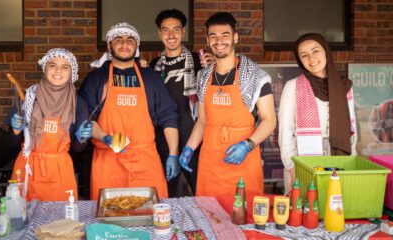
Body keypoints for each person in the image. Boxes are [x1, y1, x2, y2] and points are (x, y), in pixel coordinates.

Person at [178, 12, 276, 197]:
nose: (219, 41)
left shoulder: (255, 76)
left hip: (243, 160)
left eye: (225, 35)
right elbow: (202, 121)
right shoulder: (204, 77)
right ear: (208, 40)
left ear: (235, 37)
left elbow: (269, 120)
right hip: (211, 162)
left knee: (243, 216)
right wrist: (189, 147)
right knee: (209, 215)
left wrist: (247, 146)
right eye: (213, 36)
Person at [77, 22, 179, 200]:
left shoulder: (150, 77)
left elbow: (168, 115)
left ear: (136, 46)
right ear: (109, 45)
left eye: (130, 39)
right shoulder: (96, 78)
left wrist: (173, 153)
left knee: (152, 217)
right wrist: (105, 138)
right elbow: (87, 119)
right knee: (109, 219)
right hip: (107, 162)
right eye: (118, 39)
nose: (125, 44)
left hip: (145, 160)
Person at [6, 48, 92, 201]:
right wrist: (15, 130)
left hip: (60, 172)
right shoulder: (27, 98)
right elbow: (10, 145)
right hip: (27, 169)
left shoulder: (78, 103)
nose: (58, 70)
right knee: (23, 220)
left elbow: (78, 149)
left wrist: (82, 138)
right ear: (45, 68)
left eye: (65, 67)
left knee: (62, 222)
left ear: (72, 73)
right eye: (52, 65)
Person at [278, 33, 357, 194]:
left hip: (340, 161)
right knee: (306, 213)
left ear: (326, 51)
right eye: (304, 55)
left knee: (337, 211)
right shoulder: (292, 87)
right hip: (302, 165)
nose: (311, 58)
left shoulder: (344, 87)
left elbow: (352, 129)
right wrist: (292, 169)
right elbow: (285, 133)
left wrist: (351, 161)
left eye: (315, 51)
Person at [149, 9, 213, 196]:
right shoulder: (153, 66)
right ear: (159, 33)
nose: (171, 35)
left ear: (183, 31)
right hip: (164, 140)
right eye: (166, 30)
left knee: (202, 194)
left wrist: (214, 67)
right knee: (168, 195)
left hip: (195, 138)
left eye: (176, 29)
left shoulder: (199, 61)